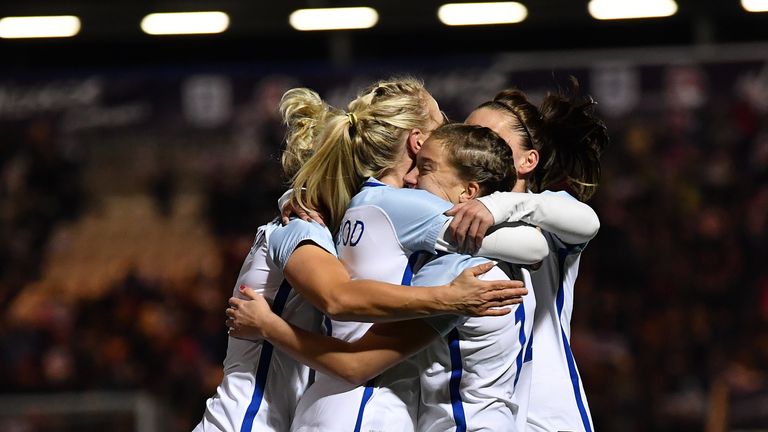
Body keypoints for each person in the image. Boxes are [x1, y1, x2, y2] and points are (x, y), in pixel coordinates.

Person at [194, 86, 527, 432]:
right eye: (441, 120)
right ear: (417, 142)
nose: (450, 127)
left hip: (313, 411)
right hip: (271, 419)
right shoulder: (303, 224)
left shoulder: (336, 214)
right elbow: (338, 299)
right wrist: (449, 296)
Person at [453, 81, 609, 432]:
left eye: (488, 136)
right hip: (480, 416)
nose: (475, 146)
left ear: (528, 160)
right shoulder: (449, 211)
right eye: (467, 135)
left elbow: (588, 222)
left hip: (548, 417)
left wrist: (500, 204)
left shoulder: (549, 213)